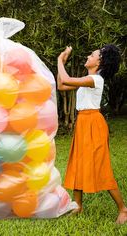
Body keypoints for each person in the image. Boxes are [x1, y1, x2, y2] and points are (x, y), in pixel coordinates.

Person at [57, 44, 127, 224]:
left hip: (93, 124)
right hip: (83, 123)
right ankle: (78, 205)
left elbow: (65, 78)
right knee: (78, 162)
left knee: (100, 166)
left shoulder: (96, 80)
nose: (88, 55)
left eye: (92, 54)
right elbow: (61, 85)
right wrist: (62, 64)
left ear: (100, 62)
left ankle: (123, 209)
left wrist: (60, 60)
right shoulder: (88, 79)